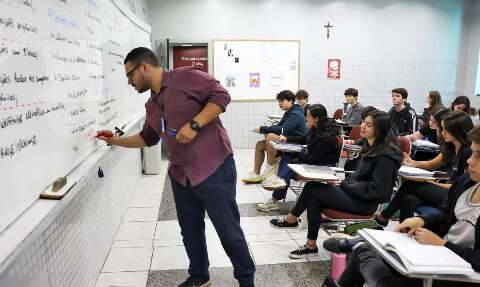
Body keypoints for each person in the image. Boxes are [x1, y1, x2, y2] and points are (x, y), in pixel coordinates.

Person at [97, 47, 255, 287]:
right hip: (181, 176)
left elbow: (221, 96)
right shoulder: (151, 104)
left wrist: (194, 124)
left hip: (213, 168)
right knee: (190, 231)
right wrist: (114, 140)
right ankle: (200, 277)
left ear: (144, 67)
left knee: (228, 231)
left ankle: (246, 279)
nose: (129, 82)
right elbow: (148, 138)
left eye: (130, 75)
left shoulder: (186, 77)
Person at [322, 126, 480, 287]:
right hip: (439, 255)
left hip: (461, 270)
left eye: (478, 155)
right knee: (378, 252)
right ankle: (362, 248)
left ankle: (362, 246)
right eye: (472, 153)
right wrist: (422, 221)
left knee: (383, 280)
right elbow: (445, 213)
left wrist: (442, 244)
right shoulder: (466, 184)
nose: (469, 161)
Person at [270, 111, 402, 259]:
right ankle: (310, 246)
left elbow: (378, 190)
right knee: (314, 199)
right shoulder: (371, 147)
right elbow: (359, 177)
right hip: (355, 194)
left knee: (312, 187)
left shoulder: (385, 157)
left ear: (380, 130)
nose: (363, 126)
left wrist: (344, 185)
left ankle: (291, 219)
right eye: (364, 122)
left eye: (369, 125)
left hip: (365, 203)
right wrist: (341, 183)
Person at [376, 111, 474, 224]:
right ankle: (403, 234)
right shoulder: (451, 147)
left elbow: (463, 187)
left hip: (457, 196)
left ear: (458, 130)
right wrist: (412, 162)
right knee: (408, 200)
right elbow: (431, 164)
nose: (443, 132)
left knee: (409, 184)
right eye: (442, 128)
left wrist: (431, 183)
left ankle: (384, 216)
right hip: (447, 191)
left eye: (446, 129)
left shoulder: (468, 152)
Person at [257, 104, 340, 211]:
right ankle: (278, 184)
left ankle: (278, 185)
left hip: (324, 165)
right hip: (314, 159)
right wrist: (287, 139)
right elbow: (303, 138)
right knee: (287, 157)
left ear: (316, 119)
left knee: (289, 162)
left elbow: (312, 159)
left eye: (308, 116)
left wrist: (300, 153)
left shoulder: (325, 136)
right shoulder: (316, 128)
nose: (306, 118)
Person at [243, 90, 307, 183]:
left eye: (282, 101)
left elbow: (282, 130)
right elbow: (279, 127)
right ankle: (256, 174)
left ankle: (271, 165)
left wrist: (263, 128)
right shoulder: (289, 112)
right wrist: (264, 130)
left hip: (297, 143)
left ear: (290, 101)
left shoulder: (296, 114)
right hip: (288, 141)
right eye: (279, 101)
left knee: (271, 136)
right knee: (260, 145)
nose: (280, 103)